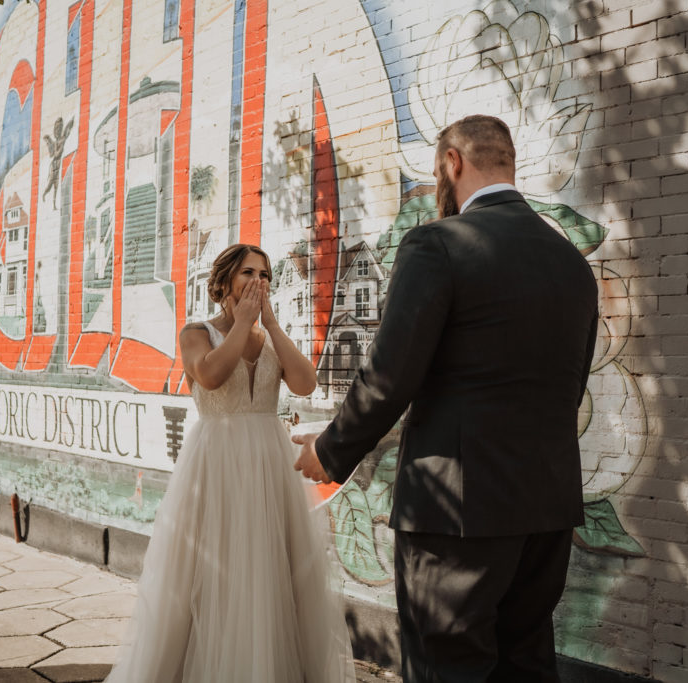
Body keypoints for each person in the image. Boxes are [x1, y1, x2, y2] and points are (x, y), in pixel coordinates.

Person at [293, 115, 599, 682]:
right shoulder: (573, 265)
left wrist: (330, 451)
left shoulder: (438, 244)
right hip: (546, 511)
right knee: (526, 665)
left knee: (448, 670)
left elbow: (389, 376)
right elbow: (571, 387)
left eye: (439, 170)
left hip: (456, 514)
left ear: (453, 162)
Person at [107, 244, 354, 683]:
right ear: (224, 283)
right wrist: (241, 322)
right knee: (211, 568)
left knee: (272, 566)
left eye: (265, 275)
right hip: (217, 464)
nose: (258, 282)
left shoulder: (268, 339)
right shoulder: (196, 333)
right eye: (247, 274)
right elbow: (210, 376)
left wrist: (271, 324)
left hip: (269, 463)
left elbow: (304, 382)